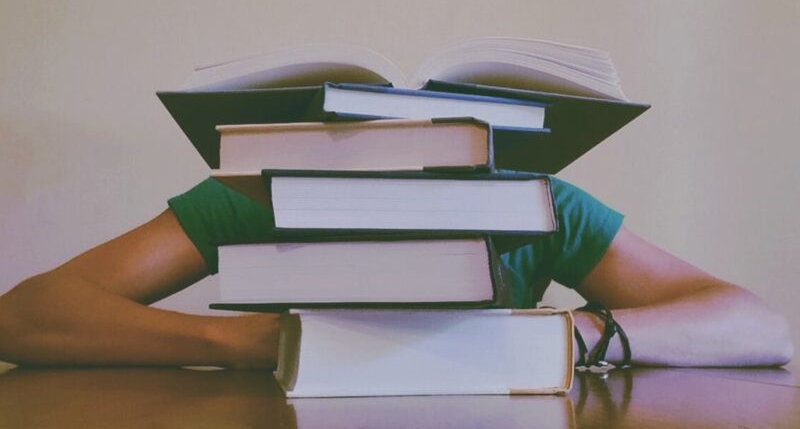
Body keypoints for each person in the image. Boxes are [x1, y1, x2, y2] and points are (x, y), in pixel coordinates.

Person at [0, 176, 792, 369]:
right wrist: (246, 341)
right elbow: (26, 315)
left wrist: (576, 333)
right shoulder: (260, 195)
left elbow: (758, 325)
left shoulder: (535, 204)